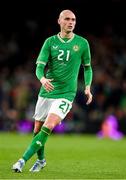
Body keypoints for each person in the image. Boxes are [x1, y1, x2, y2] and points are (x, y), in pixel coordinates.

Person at [12, 9, 93, 173]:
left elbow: (88, 68)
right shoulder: (50, 42)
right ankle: (41, 161)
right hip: (47, 92)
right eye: (67, 19)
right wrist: (42, 79)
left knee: (48, 126)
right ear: (59, 21)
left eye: (74, 20)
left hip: (66, 94)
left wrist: (87, 87)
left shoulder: (82, 43)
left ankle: (22, 161)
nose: (71, 22)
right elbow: (39, 68)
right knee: (37, 130)